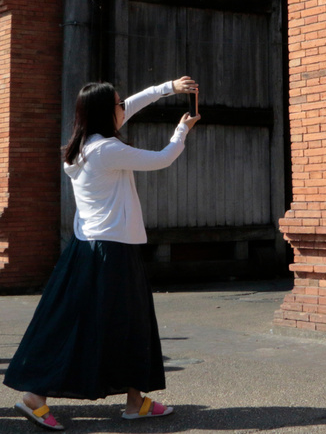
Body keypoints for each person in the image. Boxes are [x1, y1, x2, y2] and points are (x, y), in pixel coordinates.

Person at [6, 77, 201, 430]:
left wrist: (168, 87)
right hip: (111, 251)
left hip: (91, 248)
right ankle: (37, 396)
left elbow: (135, 104)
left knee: (109, 323)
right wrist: (181, 130)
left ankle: (134, 400)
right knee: (116, 324)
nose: (122, 107)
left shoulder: (84, 145)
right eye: (117, 104)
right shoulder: (106, 150)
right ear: (103, 113)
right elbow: (161, 159)